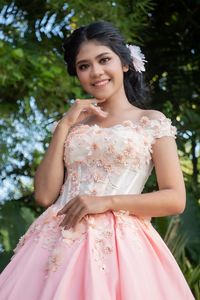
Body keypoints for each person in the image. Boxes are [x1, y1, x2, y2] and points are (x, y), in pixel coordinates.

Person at [0, 20, 195, 300]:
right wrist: (65, 125)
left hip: (122, 248)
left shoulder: (151, 121)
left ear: (125, 64)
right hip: (58, 240)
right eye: (84, 66)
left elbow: (175, 198)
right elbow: (44, 195)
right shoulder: (70, 124)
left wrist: (106, 202)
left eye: (104, 60)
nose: (96, 72)